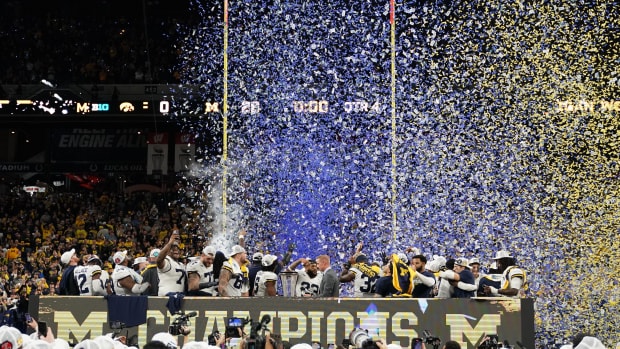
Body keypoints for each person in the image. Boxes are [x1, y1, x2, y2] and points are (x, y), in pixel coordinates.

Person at [157, 229, 187, 296]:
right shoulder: (167, 261)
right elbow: (159, 260)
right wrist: (170, 243)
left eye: (177, 248)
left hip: (179, 297)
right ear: (167, 251)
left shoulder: (181, 265)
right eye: (172, 249)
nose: (175, 250)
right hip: (166, 297)